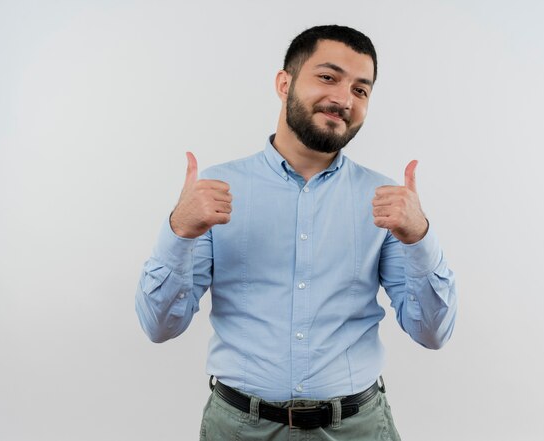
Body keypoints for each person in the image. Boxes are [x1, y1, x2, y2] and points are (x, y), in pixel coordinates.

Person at [135, 24, 457, 441]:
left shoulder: (386, 203)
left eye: (361, 90)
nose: (343, 99)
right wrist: (178, 231)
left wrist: (420, 238)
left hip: (356, 429)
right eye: (328, 77)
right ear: (284, 83)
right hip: (238, 429)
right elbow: (159, 326)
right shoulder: (215, 192)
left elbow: (433, 333)